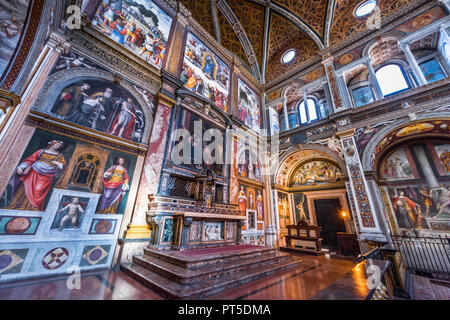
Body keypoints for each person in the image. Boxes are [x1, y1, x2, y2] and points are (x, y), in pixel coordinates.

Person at [7, 141, 66, 211]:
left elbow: (64, 165)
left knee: (39, 190)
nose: (58, 147)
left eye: (60, 146)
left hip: (47, 175)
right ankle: (21, 205)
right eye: (57, 145)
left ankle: (34, 207)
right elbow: (30, 159)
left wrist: (58, 163)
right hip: (34, 172)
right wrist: (21, 167)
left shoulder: (59, 155)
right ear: (52, 144)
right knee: (27, 187)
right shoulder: (41, 151)